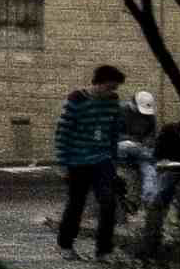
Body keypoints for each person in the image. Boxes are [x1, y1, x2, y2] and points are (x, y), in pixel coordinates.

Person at [52, 64, 128, 257]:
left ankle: (103, 250)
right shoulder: (77, 99)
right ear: (99, 83)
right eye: (109, 87)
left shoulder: (112, 101)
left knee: (108, 203)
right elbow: (63, 132)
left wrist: (114, 161)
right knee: (76, 203)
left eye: (115, 88)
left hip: (102, 159)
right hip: (77, 160)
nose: (112, 91)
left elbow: (114, 132)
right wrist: (62, 163)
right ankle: (65, 245)